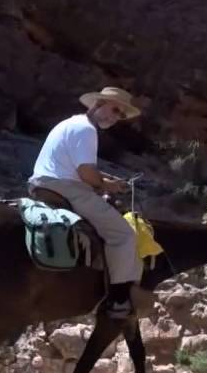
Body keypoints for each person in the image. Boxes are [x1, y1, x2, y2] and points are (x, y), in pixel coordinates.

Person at [28, 86, 143, 318]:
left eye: (120, 114)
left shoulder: (70, 123)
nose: (114, 117)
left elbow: (78, 168)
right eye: (114, 109)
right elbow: (86, 174)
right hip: (65, 188)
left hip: (42, 183)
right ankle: (119, 300)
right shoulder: (87, 130)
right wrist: (107, 185)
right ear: (98, 104)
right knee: (124, 235)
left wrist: (106, 180)